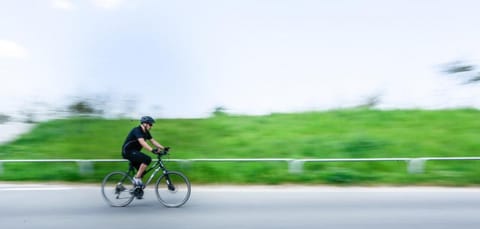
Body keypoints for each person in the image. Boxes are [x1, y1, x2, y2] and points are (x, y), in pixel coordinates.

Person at [122, 116, 168, 187]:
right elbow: (142, 142)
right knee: (147, 159)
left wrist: (163, 148)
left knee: (142, 173)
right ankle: (136, 178)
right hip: (128, 151)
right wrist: (152, 150)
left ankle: (137, 191)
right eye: (150, 124)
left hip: (134, 152)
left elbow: (153, 141)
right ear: (145, 124)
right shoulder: (137, 130)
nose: (151, 126)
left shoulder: (146, 132)